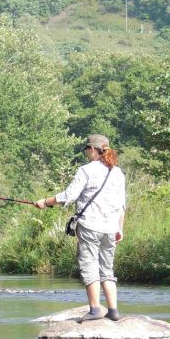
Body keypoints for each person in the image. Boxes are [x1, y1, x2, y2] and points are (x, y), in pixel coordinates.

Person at [34, 134, 126, 322]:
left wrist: (45, 202)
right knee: (107, 270)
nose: (85, 153)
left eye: (86, 149)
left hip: (90, 226)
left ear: (92, 149)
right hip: (111, 228)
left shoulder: (86, 170)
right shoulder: (118, 172)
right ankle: (113, 310)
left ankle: (95, 310)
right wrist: (120, 229)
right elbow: (122, 205)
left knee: (89, 266)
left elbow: (69, 195)